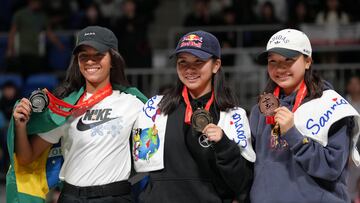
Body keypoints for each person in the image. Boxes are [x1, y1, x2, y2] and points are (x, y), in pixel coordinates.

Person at [8, 26, 147, 203]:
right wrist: (20, 126)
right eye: (84, 56)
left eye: (98, 55)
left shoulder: (133, 103)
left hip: (115, 197)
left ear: (113, 60)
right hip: (71, 198)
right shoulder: (63, 107)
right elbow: (27, 158)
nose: (90, 61)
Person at [132, 30, 255, 202]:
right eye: (183, 62)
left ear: (216, 65)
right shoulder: (155, 109)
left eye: (198, 62)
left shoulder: (232, 115)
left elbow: (242, 183)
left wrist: (224, 144)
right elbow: (141, 159)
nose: (189, 69)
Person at [250, 28, 360, 203]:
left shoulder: (331, 105)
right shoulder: (261, 110)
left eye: (288, 60)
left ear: (308, 61)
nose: (280, 68)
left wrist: (293, 134)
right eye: (273, 61)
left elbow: (332, 167)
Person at [6, 0, 64, 77]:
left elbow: (49, 33)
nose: (38, 3)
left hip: (35, 53)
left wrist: (59, 45)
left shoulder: (42, 16)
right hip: (21, 53)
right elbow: (12, 32)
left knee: (35, 77)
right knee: (20, 76)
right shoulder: (20, 14)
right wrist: (10, 49)